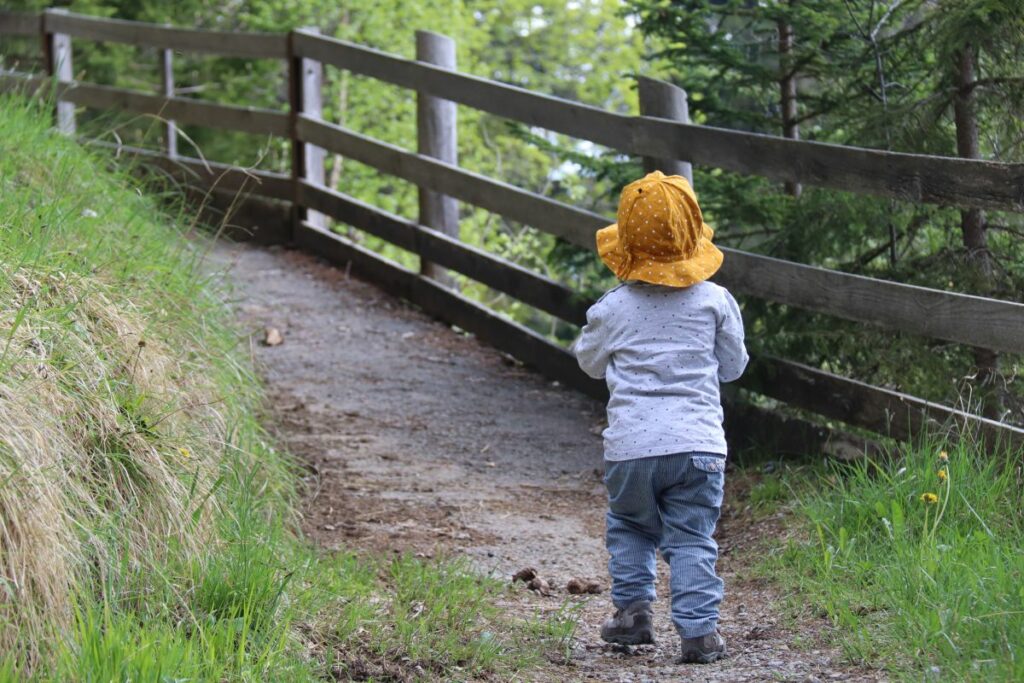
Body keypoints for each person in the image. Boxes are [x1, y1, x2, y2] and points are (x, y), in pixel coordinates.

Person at [573, 171, 748, 664]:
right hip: (699, 446)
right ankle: (699, 633)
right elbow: (733, 367)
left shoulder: (613, 308)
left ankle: (632, 617)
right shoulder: (716, 302)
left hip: (631, 449)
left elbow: (588, 362)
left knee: (630, 527)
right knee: (691, 535)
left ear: (626, 244)